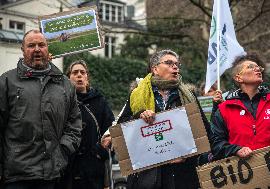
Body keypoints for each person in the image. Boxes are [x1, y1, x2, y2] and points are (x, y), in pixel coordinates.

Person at [117, 49, 212, 189]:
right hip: (147, 177)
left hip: (182, 176)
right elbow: (121, 132)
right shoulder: (136, 95)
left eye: (177, 64)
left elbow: (205, 133)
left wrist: (187, 155)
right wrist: (139, 117)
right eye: (169, 63)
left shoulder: (188, 97)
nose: (175, 67)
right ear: (155, 69)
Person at [0, 29, 82, 189]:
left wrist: (62, 150)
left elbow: (74, 125)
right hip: (16, 176)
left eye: (41, 45)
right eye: (31, 45)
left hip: (51, 174)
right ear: (23, 50)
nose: (37, 49)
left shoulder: (65, 85)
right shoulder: (6, 82)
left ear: (48, 48)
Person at [211, 53, 270, 160]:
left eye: (258, 67)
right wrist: (235, 150)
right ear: (238, 78)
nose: (257, 69)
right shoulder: (223, 109)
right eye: (250, 67)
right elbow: (216, 144)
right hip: (244, 173)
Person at [61, 60, 115, 189]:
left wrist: (101, 152)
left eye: (82, 72)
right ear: (68, 78)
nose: (79, 75)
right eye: (75, 72)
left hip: (94, 170)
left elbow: (112, 130)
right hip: (68, 169)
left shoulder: (100, 101)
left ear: (87, 77)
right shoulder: (62, 101)